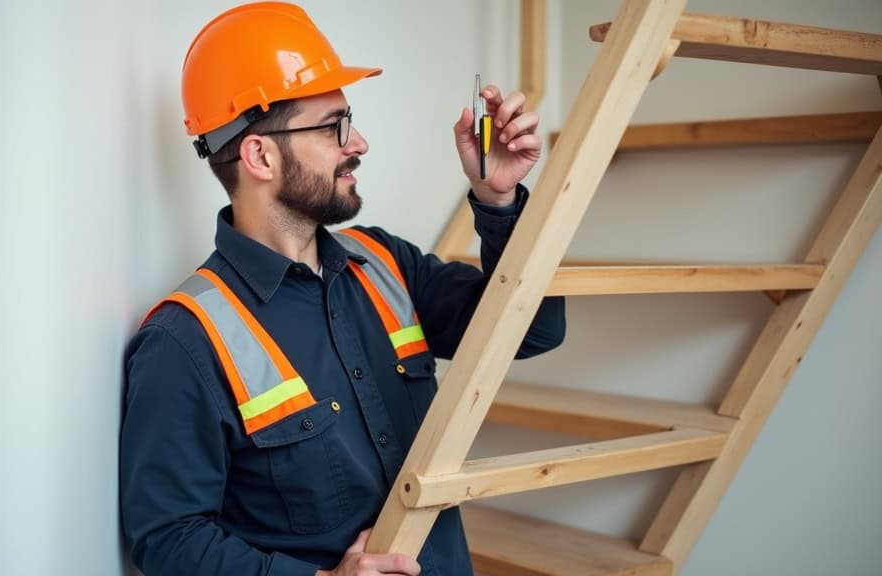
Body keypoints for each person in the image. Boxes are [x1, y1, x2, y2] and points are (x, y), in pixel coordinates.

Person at [119, 3, 566, 575]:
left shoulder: (384, 263)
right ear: (260, 155)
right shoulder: (185, 341)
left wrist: (499, 202)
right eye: (334, 127)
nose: (359, 144)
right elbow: (169, 538)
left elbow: (536, 330)